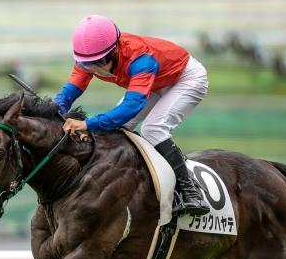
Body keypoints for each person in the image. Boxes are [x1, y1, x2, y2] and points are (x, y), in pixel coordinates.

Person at [55, 15, 210, 216]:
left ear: (114, 51)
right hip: (155, 82)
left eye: (98, 62)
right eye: (86, 64)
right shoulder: (90, 57)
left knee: (153, 129)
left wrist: (87, 124)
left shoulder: (140, 59)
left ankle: (192, 190)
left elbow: (131, 107)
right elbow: (71, 88)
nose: (91, 68)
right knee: (114, 133)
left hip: (185, 79)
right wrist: (55, 108)